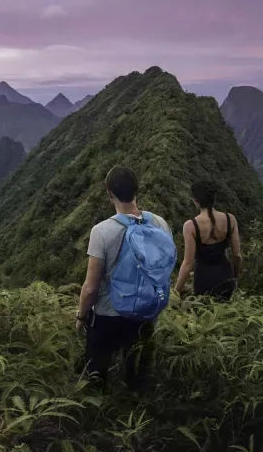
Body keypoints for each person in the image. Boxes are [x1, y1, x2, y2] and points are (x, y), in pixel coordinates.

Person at [76, 165, 175, 387]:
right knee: (138, 371)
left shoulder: (101, 232)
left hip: (107, 316)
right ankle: (139, 406)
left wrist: (82, 317)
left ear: (109, 193)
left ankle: (100, 410)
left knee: (97, 372)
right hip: (145, 311)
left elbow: (90, 288)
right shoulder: (160, 224)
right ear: (137, 190)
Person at [173, 180, 242, 301]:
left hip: (203, 282)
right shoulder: (230, 219)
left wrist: (176, 292)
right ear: (214, 198)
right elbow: (237, 256)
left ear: (196, 201)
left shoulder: (191, 226)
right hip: (226, 279)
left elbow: (188, 263)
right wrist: (234, 278)